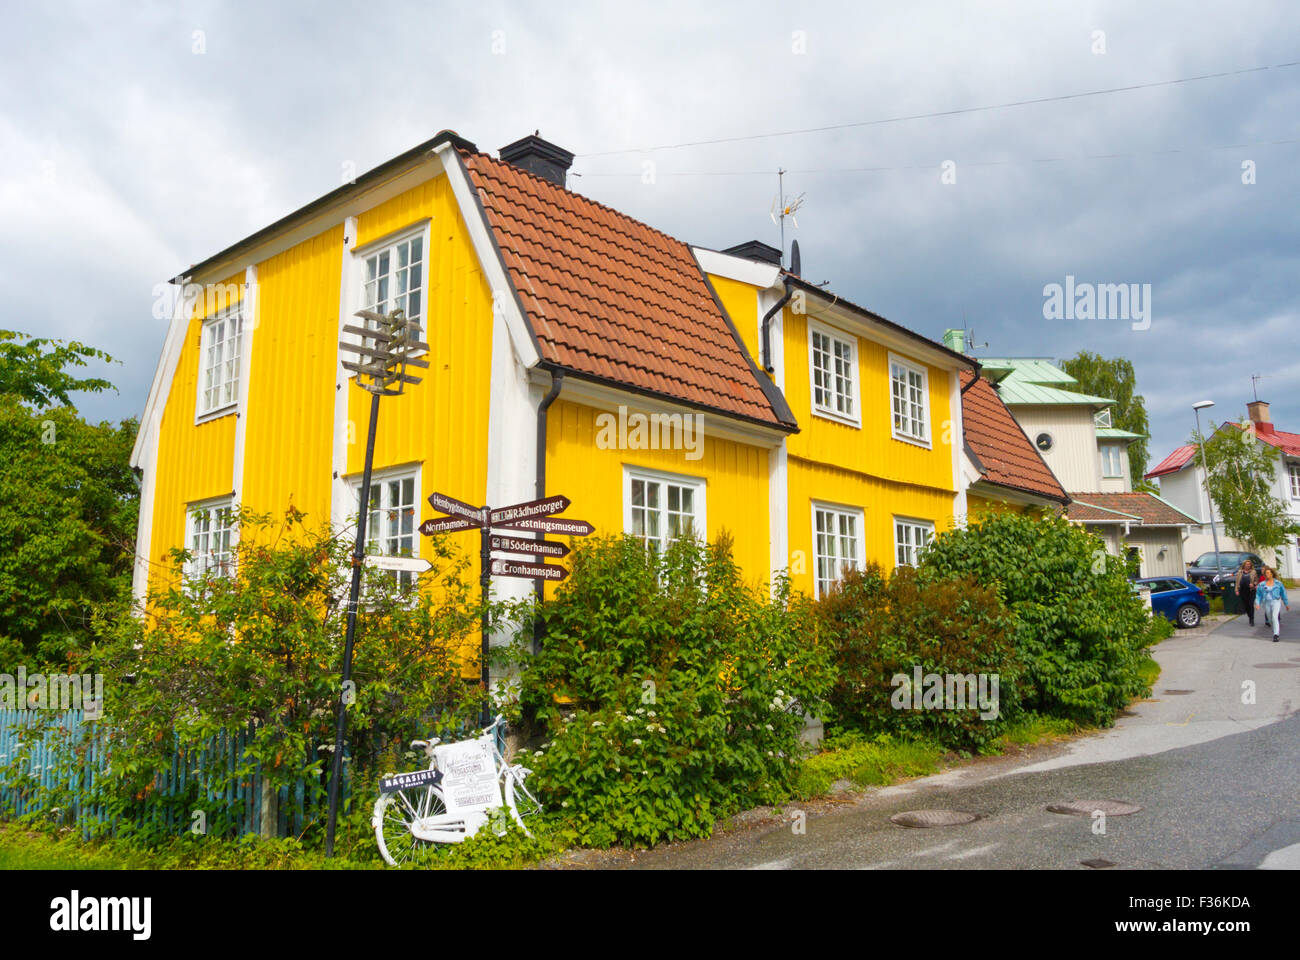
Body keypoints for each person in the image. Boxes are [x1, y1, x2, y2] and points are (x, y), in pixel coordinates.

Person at [1254, 567, 1290, 642]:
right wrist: (1257, 604)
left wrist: (1286, 604)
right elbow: (1258, 595)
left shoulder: (1278, 584)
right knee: (1270, 619)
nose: (1266, 574)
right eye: (1265, 573)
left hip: (1276, 601)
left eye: (1268, 573)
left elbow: (1283, 594)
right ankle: (1274, 631)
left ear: (1272, 574)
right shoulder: (1261, 585)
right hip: (1266, 602)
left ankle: (1276, 634)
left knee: (1274, 616)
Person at [1235, 559, 1259, 626]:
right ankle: (1250, 616)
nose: (1248, 565)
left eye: (1249, 564)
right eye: (1246, 564)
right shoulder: (1240, 572)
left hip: (1251, 590)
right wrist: (1236, 590)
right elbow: (1237, 581)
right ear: (1244, 565)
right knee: (1246, 605)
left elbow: (1257, 580)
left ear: (1251, 565)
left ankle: (1252, 619)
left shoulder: (1253, 572)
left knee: (1251, 604)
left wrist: (1253, 584)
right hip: (1243, 590)